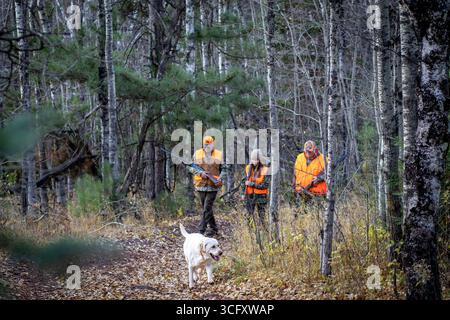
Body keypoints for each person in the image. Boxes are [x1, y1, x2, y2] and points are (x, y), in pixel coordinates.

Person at [188, 136, 226, 236]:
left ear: (213, 144)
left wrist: (220, 177)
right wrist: (200, 173)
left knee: (207, 208)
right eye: (205, 145)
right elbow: (190, 167)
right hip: (200, 185)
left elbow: (225, 169)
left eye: (209, 145)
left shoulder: (219, 154)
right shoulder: (197, 153)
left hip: (213, 185)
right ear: (203, 145)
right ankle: (214, 228)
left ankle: (201, 230)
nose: (207, 147)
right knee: (207, 209)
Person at [240, 149, 270, 230]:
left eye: (256, 159)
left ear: (260, 160)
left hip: (261, 197)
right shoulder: (248, 168)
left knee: (262, 217)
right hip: (249, 196)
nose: (254, 161)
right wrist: (242, 194)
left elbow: (265, 185)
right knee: (249, 216)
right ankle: (250, 233)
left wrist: (252, 184)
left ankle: (266, 231)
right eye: (252, 159)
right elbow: (243, 182)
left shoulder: (265, 169)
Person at [293, 140, 327, 211]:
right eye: (306, 151)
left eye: (310, 151)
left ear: (315, 149)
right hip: (300, 193)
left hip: (317, 195)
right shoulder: (300, 157)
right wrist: (294, 189)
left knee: (314, 217)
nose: (308, 153)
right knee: (300, 217)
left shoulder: (323, 159)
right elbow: (295, 174)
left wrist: (320, 178)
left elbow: (329, 174)